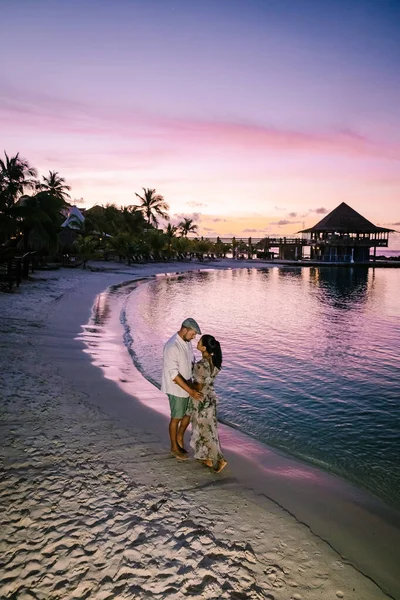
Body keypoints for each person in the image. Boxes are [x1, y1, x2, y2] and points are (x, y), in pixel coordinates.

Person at [161, 318, 203, 460]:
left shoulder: (186, 342)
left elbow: (190, 363)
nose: (194, 337)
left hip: (187, 384)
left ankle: (180, 438)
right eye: (193, 333)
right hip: (176, 388)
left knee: (187, 415)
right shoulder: (172, 346)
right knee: (177, 417)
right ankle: (174, 447)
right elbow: (174, 375)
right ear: (185, 329)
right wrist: (191, 391)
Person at [188, 334, 227, 473]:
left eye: (199, 342)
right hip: (211, 399)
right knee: (210, 430)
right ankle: (208, 459)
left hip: (202, 400)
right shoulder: (214, 361)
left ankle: (220, 459)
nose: (197, 343)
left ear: (203, 347)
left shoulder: (200, 365)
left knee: (205, 431)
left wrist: (188, 386)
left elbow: (198, 386)